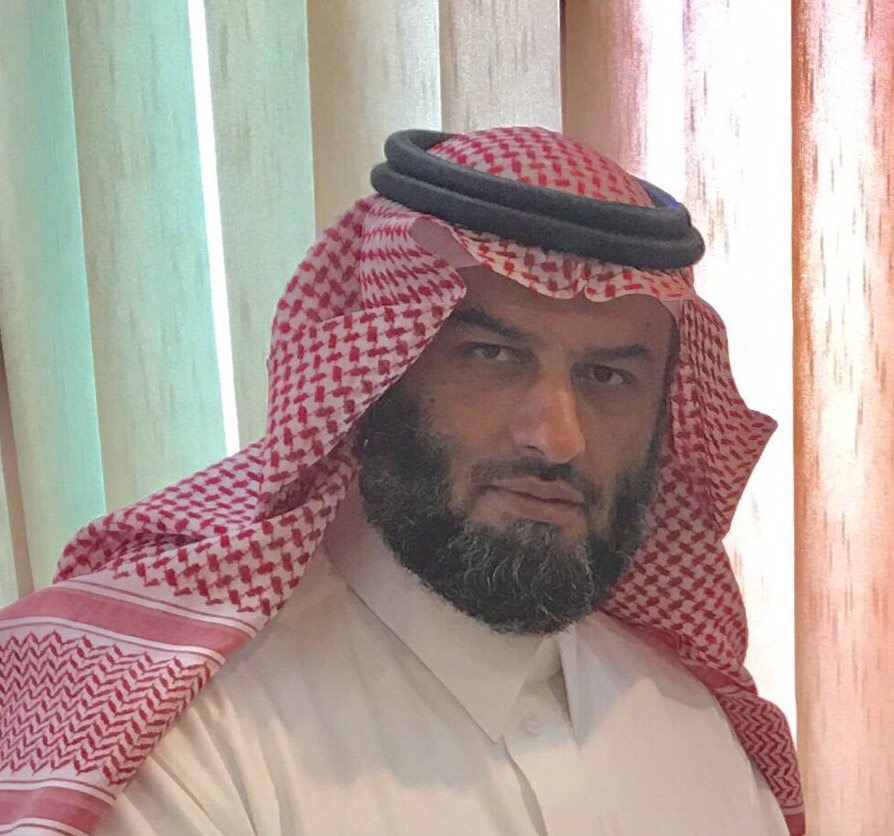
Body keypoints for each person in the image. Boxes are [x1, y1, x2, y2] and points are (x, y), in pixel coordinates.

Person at [0, 127, 804, 835]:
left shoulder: (696, 730)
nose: (558, 439)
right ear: (378, 377)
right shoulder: (184, 744)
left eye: (608, 376)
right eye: (492, 356)